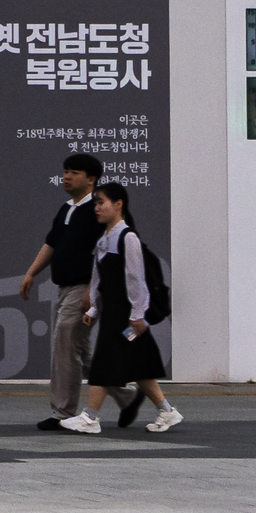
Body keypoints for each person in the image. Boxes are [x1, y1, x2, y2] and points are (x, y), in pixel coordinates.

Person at [58, 181, 179, 436]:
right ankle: (167, 411)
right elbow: (99, 277)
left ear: (118, 204)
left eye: (101, 203)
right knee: (141, 364)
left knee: (104, 359)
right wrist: (92, 310)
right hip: (115, 314)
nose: (97, 208)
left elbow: (135, 279)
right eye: (96, 204)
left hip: (126, 318)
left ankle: (90, 418)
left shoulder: (128, 238)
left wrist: (137, 316)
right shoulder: (105, 238)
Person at [16, 152, 106, 434]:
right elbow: (51, 244)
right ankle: (128, 392)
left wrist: (93, 290)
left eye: (74, 172)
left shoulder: (98, 210)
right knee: (81, 353)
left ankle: (62, 412)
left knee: (65, 347)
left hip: (84, 288)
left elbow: (107, 253)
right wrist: (32, 272)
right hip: (65, 288)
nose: (67, 176)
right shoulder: (66, 208)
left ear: (91, 179)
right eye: (66, 171)